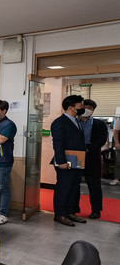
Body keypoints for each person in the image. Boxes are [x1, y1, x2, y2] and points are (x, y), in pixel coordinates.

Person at [49, 95, 86, 227]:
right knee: (63, 188)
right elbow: (58, 143)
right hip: (65, 161)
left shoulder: (77, 121)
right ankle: (60, 214)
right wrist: (61, 161)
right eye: (80, 105)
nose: (83, 108)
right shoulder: (59, 122)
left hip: (77, 160)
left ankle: (70, 212)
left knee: (74, 187)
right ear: (71, 107)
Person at [76, 99, 108, 219]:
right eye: (85, 107)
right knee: (74, 183)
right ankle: (73, 208)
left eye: (90, 108)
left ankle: (96, 210)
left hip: (93, 155)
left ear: (93, 111)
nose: (87, 109)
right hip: (76, 155)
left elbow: (102, 139)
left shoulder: (100, 124)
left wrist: (90, 148)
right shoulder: (74, 121)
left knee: (94, 184)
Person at [111, 115, 120, 186]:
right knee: (118, 162)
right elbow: (115, 132)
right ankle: (116, 178)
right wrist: (117, 143)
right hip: (119, 144)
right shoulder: (118, 121)